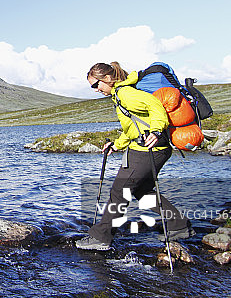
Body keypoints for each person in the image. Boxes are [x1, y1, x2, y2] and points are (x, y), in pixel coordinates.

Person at [76, 62, 193, 251]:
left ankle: (101, 238)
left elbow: (154, 105)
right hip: (153, 150)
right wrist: (117, 145)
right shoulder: (121, 94)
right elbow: (134, 127)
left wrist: (156, 130)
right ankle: (178, 225)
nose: (96, 90)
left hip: (146, 152)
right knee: (141, 192)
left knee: (119, 193)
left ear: (106, 79)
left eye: (95, 85)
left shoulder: (125, 94)